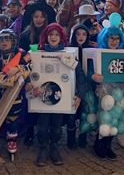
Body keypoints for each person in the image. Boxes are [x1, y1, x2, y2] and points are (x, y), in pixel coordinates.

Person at [32, 23, 85, 167]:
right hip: (43, 96)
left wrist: (79, 95)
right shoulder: (38, 54)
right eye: (50, 35)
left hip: (60, 96)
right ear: (46, 37)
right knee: (42, 125)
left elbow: (79, 76)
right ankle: (43, 148)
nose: (53, 37)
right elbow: (31, 75)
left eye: (56, 35)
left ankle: (54, 147)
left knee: (56, 125)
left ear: (61, 37)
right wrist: (31, 87)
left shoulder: (69, 55)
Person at [0, 29, 32, 159]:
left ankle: (12, 139)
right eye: (1, 40)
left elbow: (29, 67)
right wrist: (7, 77)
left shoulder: (22, 54)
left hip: (15, 94)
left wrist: (18, 69)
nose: (4, 43)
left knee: (13, 117)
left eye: (7, 39)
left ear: (13, 41)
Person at [91, 14, 124, 161]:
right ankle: (99, 144)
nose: (114, 41)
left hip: (119, 89)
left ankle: (108, 144)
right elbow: (90, 71)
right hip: (104, 90)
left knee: (116, 116)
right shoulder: (98, 53)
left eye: (117, 38)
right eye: (111, 38)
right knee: (104, 117)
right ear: (105, 39)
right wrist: (93, 76)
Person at [67, 23, 90, 149]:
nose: (81, 36)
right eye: (78, 34)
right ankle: (70, 139)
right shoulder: (69, 50)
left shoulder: (91, 50)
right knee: (72, 112)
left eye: (84, 34)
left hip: (88, 85)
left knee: (85, 112)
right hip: (72, 85)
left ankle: (83, 137)